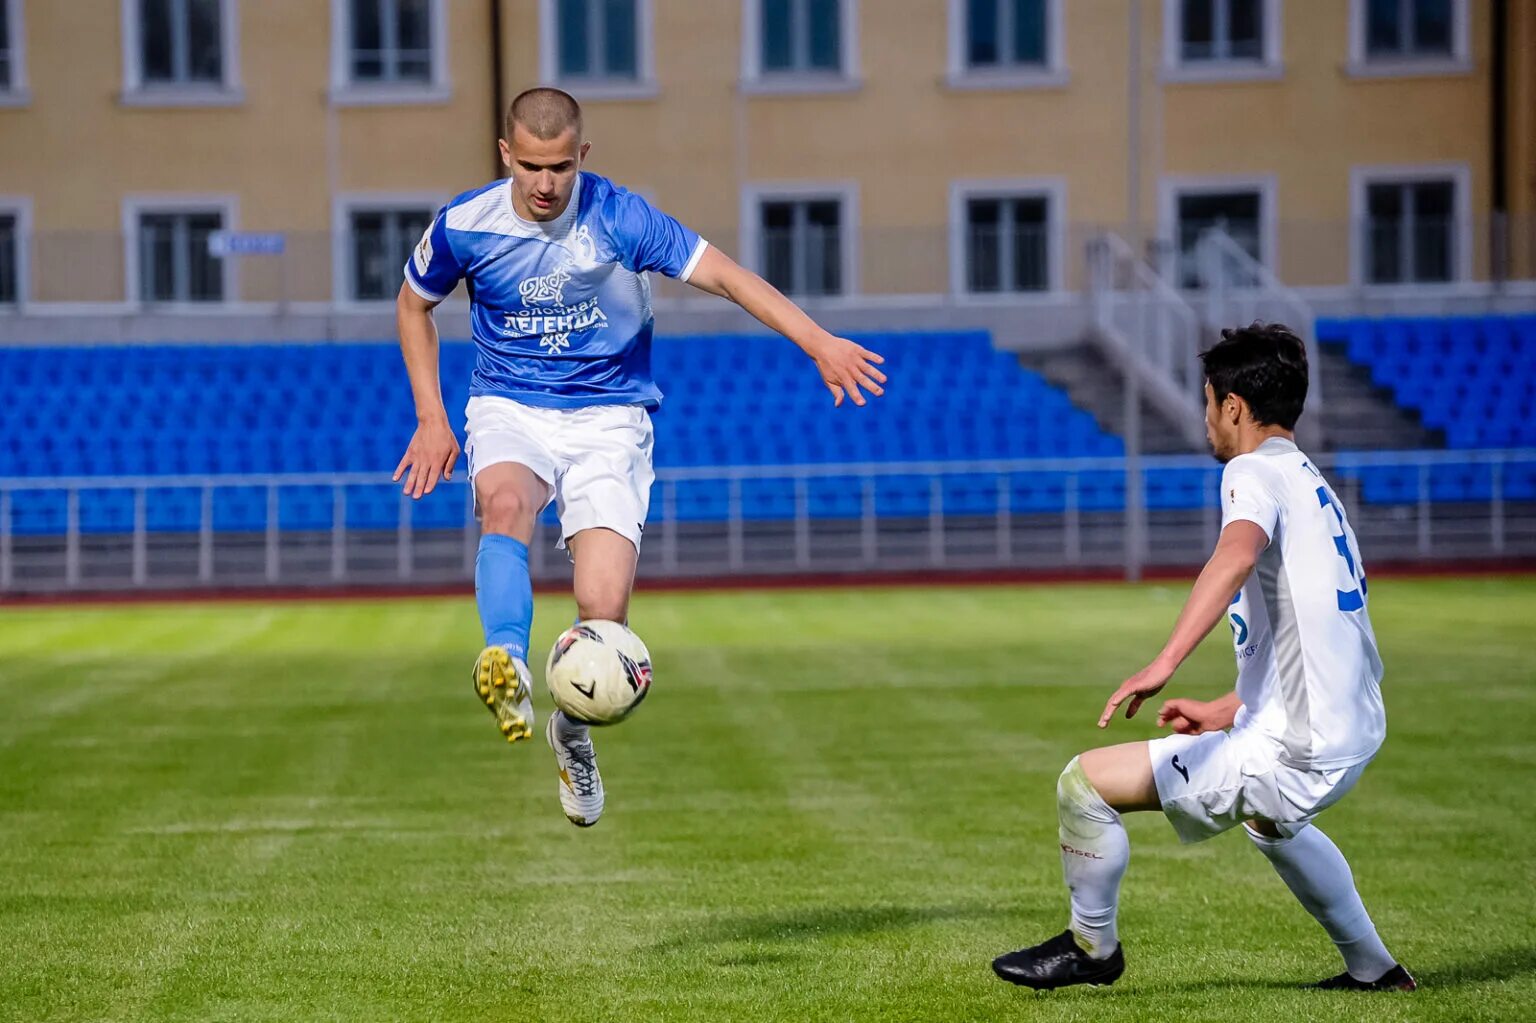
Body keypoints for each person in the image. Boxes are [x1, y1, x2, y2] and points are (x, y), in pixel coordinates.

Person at [392, 88, 886, 828]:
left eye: (559, 166)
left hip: (609, 418)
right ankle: (508, 661)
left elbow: (725, 274)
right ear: (506, 154)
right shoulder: (466, 224)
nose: (545, 183)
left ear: (581, 156)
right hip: (511, 406)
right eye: (529, 165)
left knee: (604, 614)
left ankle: (572, 730)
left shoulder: (623, 217)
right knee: (504, 505)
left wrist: (818, 341)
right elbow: (412, 303)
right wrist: (433, 417)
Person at [992, 323, 1415, 992]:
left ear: (1233, 407)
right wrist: (1231, 706)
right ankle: (1374, 969)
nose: (1207, 419)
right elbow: (1324, 635)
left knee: (1084, 785)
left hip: (1300, 745)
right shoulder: (1314, 485)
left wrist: (1164, 662)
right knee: (1271, 824)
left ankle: (1091, 946)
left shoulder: (1251, 470)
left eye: (1208, 402)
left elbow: (1235, 552)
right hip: (1349, 729)